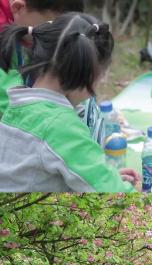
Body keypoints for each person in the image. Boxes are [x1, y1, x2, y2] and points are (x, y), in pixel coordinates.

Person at [0, 13, 140, 192]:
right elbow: (115, 195)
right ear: (90, 75)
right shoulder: (61, 126)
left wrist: (102, 174)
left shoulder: (18, 105)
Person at [0, 0, 85, 116]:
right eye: (47, 29)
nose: (53, 40)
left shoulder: (21, 19)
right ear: (19, 8)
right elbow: (10, 102)